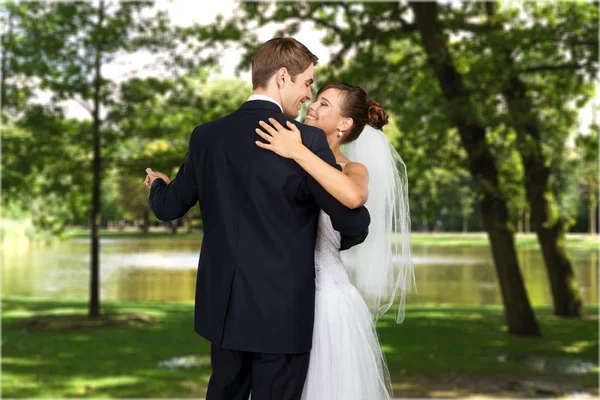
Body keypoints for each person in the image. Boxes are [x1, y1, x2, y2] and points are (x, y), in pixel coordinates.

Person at [143, 38, 371, 400]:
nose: (308, 96)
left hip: (224, 313)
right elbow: (355, 222)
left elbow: (169, 207)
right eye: (307, 83)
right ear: (283, 77)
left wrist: (157, 184)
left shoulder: (206, 137)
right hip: (282, 315)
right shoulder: (306, 140)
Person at [254, 82, 415, 399]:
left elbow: (353, 197)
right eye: (315, 99)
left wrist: (297, 151)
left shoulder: (353, 169)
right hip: (278, 296)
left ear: (345, 125)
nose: (312, 106)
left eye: (324, 103)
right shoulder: (281, 158)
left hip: (327, 300)